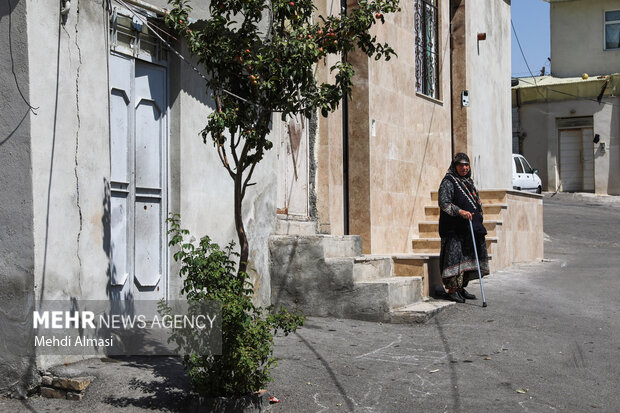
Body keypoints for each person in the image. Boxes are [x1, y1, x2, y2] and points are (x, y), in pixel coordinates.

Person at [438, 153, 489, 303]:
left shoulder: (468, 182)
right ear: (455, 166)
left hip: (469, 228)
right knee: (454, 259)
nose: (464, 167)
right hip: (453, 228)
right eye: (461, 165)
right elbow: (444, 202)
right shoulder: (449, 181)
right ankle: (452, 289)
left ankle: (460, 288)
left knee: (467, 258)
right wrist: (459, 211)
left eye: (466, 165)